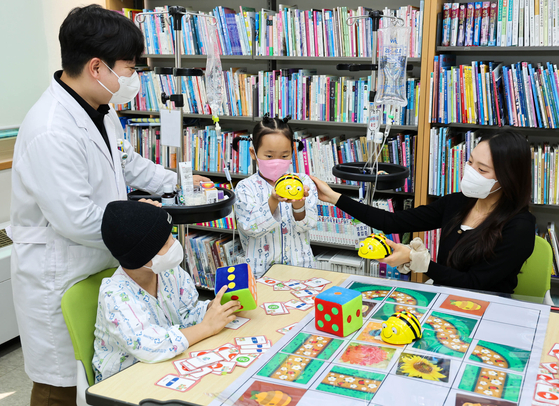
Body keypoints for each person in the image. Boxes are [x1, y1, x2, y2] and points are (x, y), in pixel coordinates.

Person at [9, 5, 208, 404]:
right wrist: (143, 224)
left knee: (107, 373)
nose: (134, 78)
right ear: (97, 67)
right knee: (60, 386)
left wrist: (179, 182)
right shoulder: (51, 129)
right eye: (130, 68)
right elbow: (76, 219)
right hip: (59, 270)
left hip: (100, 263)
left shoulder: (100, 109)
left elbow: (127, 162)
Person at [312, 130, 536, 294]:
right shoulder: (458, 203)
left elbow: (474, 283)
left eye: (482, 169)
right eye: (470, 162)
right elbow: (392, 222)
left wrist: (420, 262)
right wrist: (334, 197)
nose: (470, 172)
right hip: (444, 297)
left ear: (508, 178)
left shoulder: (519, 227)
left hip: (489, 309)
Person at [93, 200, 239, 382]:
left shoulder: (169, 272)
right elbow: (149, 347)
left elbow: (186, 315)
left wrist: (213, 308)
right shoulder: (114, 295)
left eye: (171, 235)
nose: (174, 243)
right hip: (124, 380)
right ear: (141, 257)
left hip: (167, 366)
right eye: (165, 243)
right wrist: (206, 327)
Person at [233, 116, 318, 278]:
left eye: (284, 156)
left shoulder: (304, 182)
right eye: (269, 156)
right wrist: (273, 200)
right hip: (262, 271)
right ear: (253, 153)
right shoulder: (245, 187)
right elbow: (250, 228)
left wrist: (299, 205)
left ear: (292, 151)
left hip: (299, 267)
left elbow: (308, 225)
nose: (277, 162)